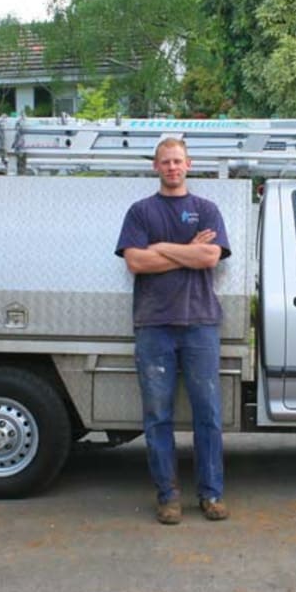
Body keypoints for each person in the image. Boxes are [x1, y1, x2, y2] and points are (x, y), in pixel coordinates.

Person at [115, 137, 231, 525]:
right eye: (165, 162)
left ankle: (211, 494)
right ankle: (168, 496)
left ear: (189, 164)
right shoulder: (140, 211)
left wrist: (161, 248)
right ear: (155, 167)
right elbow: (135, 262)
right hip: (154, 326)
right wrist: (184, 251)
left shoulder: (206, 209)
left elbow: (209, 256)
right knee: (158, 416)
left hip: (200, 324)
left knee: (208, 415)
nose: (172, 167)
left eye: (178, 161)